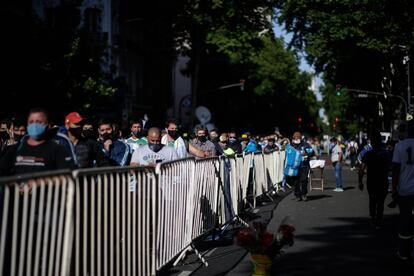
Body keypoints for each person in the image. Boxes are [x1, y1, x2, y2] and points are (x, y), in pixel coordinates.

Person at [0, 108, 75, 176]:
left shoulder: (56, 148)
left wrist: (40, 183)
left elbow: (68, 173)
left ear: (47, 125)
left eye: (39, 122)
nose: (34, 125)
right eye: (31, 122)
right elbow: (3, 171)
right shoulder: (16, 148)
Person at [358, 131, 391, 229]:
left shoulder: (368, 154)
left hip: (372, 181)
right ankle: (379, 220)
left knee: (372, 200)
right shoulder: (385, 154)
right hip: (383, 181)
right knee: (381, 202)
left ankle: (373, 219)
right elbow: (390, 167)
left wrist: (360, 181)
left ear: (372, 142)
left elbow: (361, 169)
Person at [392, 120, 414, 261]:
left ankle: (403, 252)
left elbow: (395, 170)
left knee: (405, 221)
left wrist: (394, 189)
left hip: (405, 190)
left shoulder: (400, 146)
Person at [286, 131, 314, 201]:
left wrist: (306, 153)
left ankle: (304, 194)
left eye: (297, 138)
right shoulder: (291, 145)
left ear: (300, 138)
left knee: (304, 181)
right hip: (294, 167)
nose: (296, 139)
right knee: (295, 182)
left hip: (304, 166)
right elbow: (287, 154)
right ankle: (297, 195)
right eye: (294, 138)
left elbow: (312, 152)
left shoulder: (305, 144)